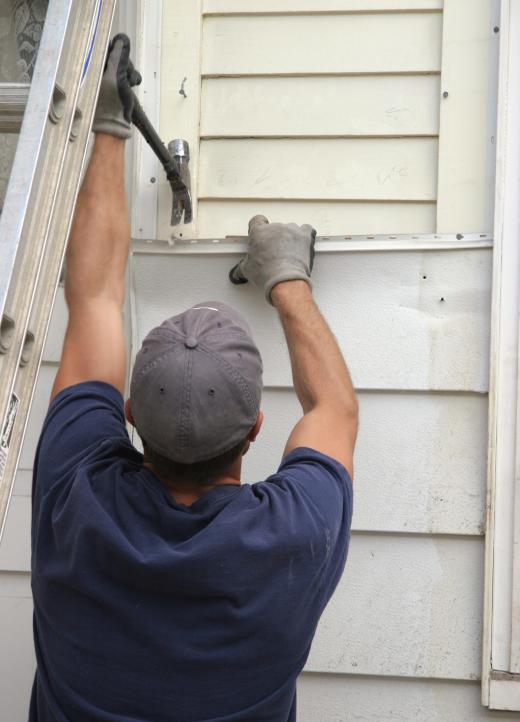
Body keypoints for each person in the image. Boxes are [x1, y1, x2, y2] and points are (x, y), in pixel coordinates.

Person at [29, 35, 358, 722]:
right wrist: (287, 279)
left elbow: (91, 300)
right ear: (255, 432)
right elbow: (335, 405)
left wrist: (110, 123)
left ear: (127, 417)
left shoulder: (74, 493)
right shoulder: (292, 537)